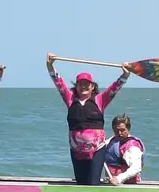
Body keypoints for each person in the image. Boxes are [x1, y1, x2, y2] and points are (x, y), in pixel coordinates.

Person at [46, 53, 132, 185]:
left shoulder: (100, 99)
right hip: (76, 151)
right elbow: (59, 83)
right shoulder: (70, 99)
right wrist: (50, 66)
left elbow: (115, 88)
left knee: (93, 183)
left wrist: (125, 74)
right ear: (76, 86)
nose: (84, 86)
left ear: (92, 87)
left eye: (87, 84)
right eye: (81, 84)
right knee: (81, 184)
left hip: (97, 149)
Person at [96, 114, 144, 185]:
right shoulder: (111, 141)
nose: (119, 133)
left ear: (128, 128)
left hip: (128, 184)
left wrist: (119, 179)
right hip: (111, 182)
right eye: (116, 130)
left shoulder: (132, 146)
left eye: (122, 130)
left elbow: (136, 168)